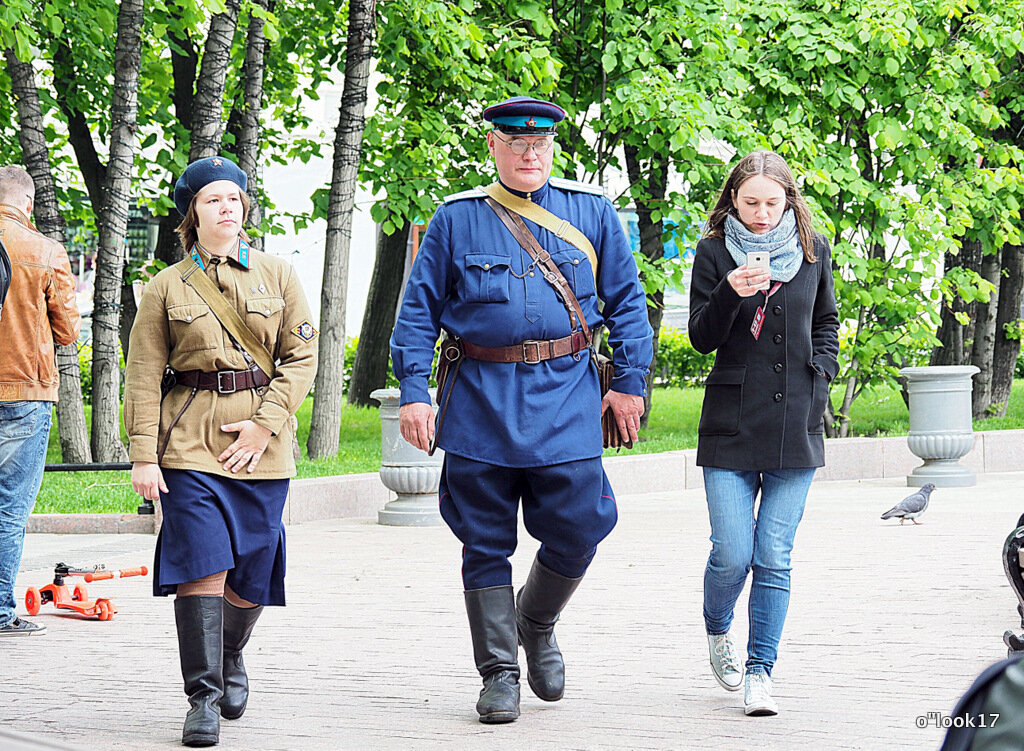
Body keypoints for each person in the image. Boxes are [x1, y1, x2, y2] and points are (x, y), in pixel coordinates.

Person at [390, 96, 653, 723]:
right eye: (514, 142)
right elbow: (419, 311)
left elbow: (627, 302)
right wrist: (413, 390)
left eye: (538, 143)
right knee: (483, 541)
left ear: (553, 148)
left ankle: (535, 621)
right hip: (480, 397)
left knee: (584, 522)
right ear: (494, 148)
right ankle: (499, 674)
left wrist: (630, 383)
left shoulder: (591, 213)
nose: (528, 152)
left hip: (566, 394)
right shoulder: (457, 219)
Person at [124, 156, 317, 746]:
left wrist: (265, 426)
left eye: (234, 197)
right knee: (201, 563)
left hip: (264, 447)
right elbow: (143, 373)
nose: (227, 207)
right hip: (190, 442)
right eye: (213, 199)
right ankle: (201, 697)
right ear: (192, 214)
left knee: (254, 570)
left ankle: (231, 652)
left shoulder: (279, 275)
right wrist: (143, 455)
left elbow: (301, 358)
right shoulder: (166, 287)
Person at [688, 150, 840, 716]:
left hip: (795, 421)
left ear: (788, 201)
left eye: (772, 203)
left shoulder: (812, 250)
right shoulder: (711, 253)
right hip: (730, 422)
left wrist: (821, 373)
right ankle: (716, 627)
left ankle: (760, 671)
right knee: (732, 552)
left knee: (773, 555)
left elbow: (826, 321)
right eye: (749, 202)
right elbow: (702, 337)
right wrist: (731, 290)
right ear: (732, 200)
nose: (760, 214)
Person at [0, 165, 81, 637]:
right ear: (27, 202)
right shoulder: (43, 250)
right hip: (25, 391)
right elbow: (69, 330)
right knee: (9, 508)